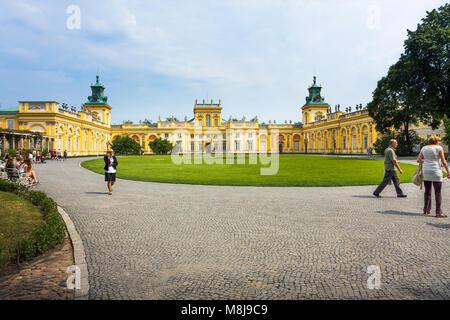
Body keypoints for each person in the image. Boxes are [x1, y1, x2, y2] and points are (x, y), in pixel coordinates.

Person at [417, 136, 450, 217]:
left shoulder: (424, 148)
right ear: (435, 141)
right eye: (439, 141)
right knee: (437, 192)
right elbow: (443, 161)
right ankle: (438, 212)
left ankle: (426, 210)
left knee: (427, 191)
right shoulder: (439, 148)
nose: (440, 142)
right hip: (436, 171)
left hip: (426, 171)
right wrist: (448, 172)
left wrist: (426, 161)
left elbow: (418, 160)